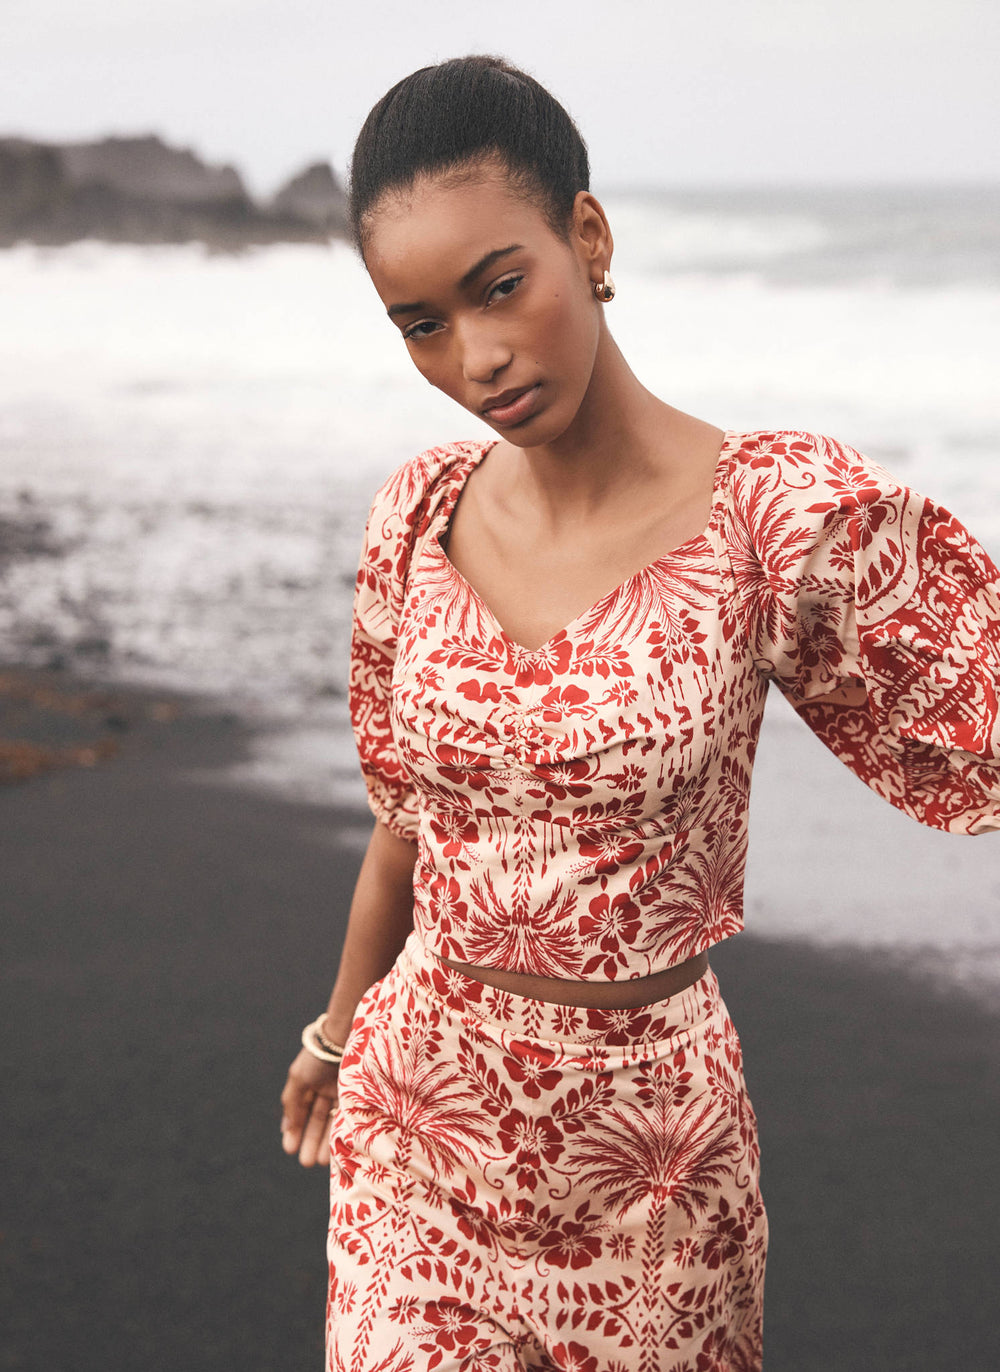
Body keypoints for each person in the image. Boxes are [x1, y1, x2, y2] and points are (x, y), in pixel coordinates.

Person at [279, 55, 1000, 1372]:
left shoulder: (768, 518)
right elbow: (408, 822)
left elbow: (983, 707)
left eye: (501, 286)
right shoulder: (419, 511)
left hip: (646, 1161)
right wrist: (336, 1030)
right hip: (418, 1119)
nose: (476, 356)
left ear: (588, 238)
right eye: (422, 323)